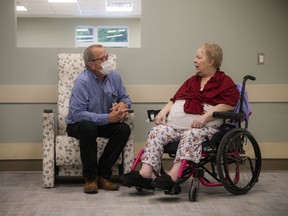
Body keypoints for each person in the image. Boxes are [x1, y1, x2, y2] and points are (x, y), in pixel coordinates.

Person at [120, 43, 239, 191]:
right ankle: (145, 174)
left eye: (198, 57)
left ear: (211, 61)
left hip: (204, 129)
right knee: (157, 131)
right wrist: (163, 112)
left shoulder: (224, 81)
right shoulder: (192, 81)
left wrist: (205, 117)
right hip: (176, 127)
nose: (194, 60)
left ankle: (173, 177)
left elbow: (229, 104)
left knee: (191, 134)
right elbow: (174, 99)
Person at [65, 44, 132, 194]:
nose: (108, 60)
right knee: (89, 127)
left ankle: (103, 175)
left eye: (107, 56)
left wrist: (122, 104)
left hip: (102, 122)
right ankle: (90, 178)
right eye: (103, 58)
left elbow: (126, 98)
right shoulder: (82, 82)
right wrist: (107, 118)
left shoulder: (115, 76)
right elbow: (77, 114)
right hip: (78, 125)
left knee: (123, 129)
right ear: (91, 64)